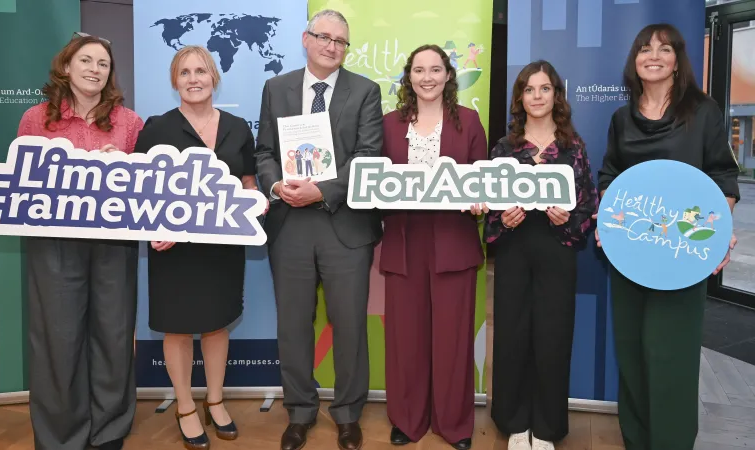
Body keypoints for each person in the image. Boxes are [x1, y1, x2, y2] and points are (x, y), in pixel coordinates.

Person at [0, 33, 142, 450]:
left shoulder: (130, 123)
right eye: (87, 61)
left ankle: (109, 432)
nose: (95, 69)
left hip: (115, 247)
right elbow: (15, 183)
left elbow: (144, 191)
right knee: (58, 341)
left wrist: (127, 170)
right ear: (65, 66)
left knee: (114, 338)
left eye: (103, 64)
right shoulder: (35, 119)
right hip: (53, 246)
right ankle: (61, 437)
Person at [595, 24, 739, 450]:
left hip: (681, 255)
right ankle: (636, 441)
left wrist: (716, 233)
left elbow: (724, 179)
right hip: (631, 253)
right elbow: (609, 176)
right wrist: (609, 219)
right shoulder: (622, 117)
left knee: (670, 357)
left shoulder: (704, 111)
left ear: (678, 59)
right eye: (644, 48)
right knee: (633, 354)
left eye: (663, 48)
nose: (652, 55)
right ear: (634, 60)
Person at [253, 9, 383, 450]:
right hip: (289, 225)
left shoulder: (365, 91)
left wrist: (320, 190)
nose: (332, 46)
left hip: (343, 224)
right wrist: (275, 184)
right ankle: (300, 412)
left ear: (347, 48)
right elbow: (265, 149)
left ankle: (348, 415)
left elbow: (367, 156)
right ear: (305, 39)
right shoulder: (276, 88)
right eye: (323, 37)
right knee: (293, 326)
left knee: (349, 326)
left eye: (341, 41)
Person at [132, 45, 265, 450]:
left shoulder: (239, 127)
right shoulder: (157, 128)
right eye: (184, 72)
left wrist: (253, 200)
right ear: (175, 81)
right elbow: (141, 185)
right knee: (178, 326)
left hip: (222, 247)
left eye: (201, 71)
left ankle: (216, 399)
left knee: (216, 322)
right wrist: (159, 224)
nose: (193, 79)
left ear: (214, 78)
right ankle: (186, 406)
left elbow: (247, 178)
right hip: (174, 250)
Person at [483, 60, 598, 450]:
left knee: (553, 337)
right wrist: (504, 219)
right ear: (520, 97)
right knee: (512, 334)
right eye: (529, 89)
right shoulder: (504, 147)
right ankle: (515, 422)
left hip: (558, 250)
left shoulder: (573, 147)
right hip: (515, 250)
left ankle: (547, 427)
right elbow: (489, 209)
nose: (536, 96)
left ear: (556, 95)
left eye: (544, 88)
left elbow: (588, 205)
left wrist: (567, 218)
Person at [379, 44, 486, 450]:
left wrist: (480, 202)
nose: (427, 77)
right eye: (419, 70)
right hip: (404, 243)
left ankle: (454, 424)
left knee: (453, 341)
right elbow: (373, 181)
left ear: (447, 76)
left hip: (453, 242)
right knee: (405, 339)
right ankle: (407, 420)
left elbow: (480, 182)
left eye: (435, 69)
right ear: (409, 77)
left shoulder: (471, 123)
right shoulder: (388, 125)